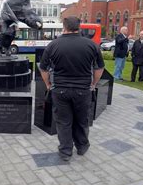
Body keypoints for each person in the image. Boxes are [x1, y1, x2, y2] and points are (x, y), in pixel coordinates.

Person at [39, 16, 105, 161]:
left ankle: (65, 151)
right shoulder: (91, 45)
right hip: (83, 90)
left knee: (63, 122)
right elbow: (99, 68)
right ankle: (82, 147)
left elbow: (43, 69)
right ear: (79, 27)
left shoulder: (53, 45)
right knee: (82, 120)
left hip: (60, 90)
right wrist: (93, 84)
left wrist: (48, 85)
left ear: (64, 27)